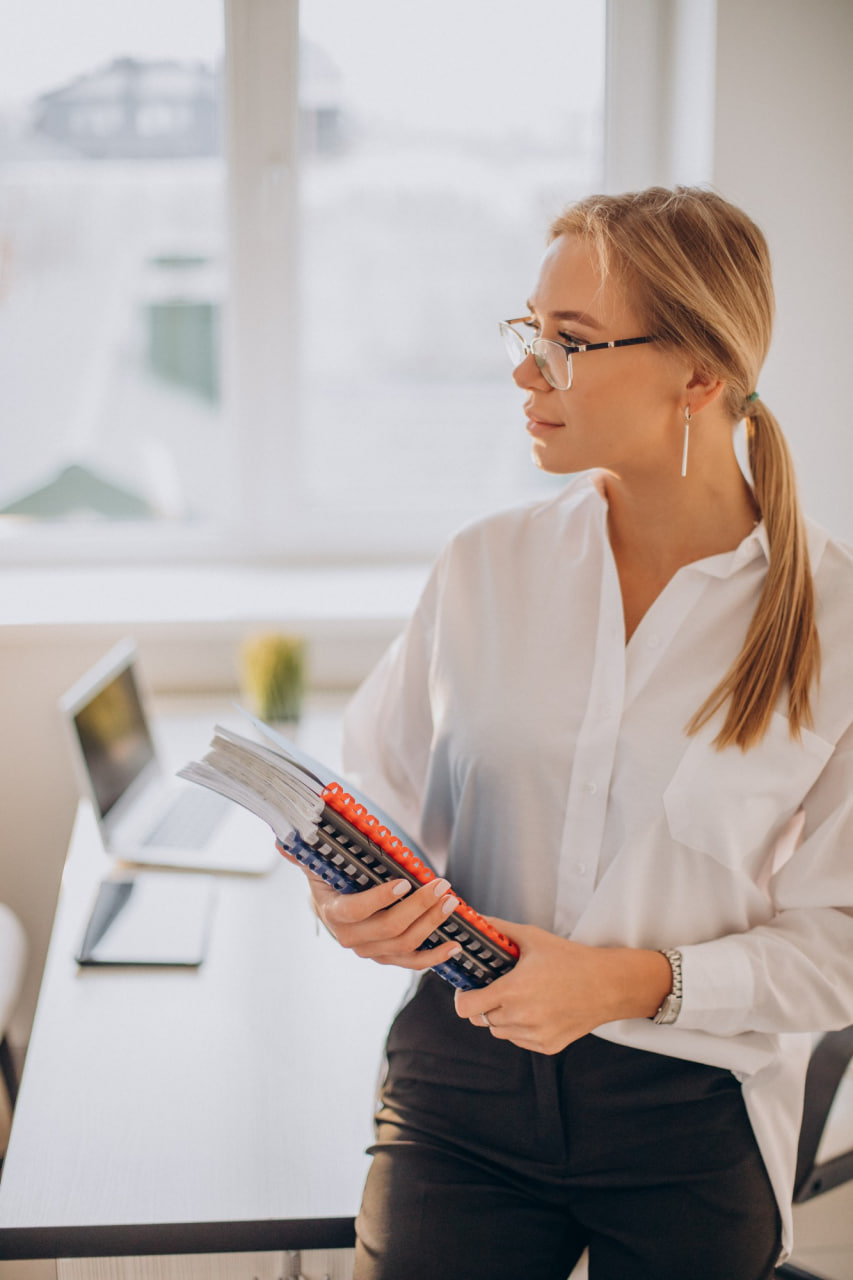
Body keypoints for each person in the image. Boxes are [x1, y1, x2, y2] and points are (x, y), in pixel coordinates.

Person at [288, 186, 853, 1278]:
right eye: (529, 333)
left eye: (572, 343)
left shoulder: (835, 621)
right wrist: (344, 892)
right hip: (460, 1080)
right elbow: (381, 782)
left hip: (688, 1108)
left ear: (699, 373)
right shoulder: (485, 565)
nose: (526, 372)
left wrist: (626, 980)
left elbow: (841, 943)